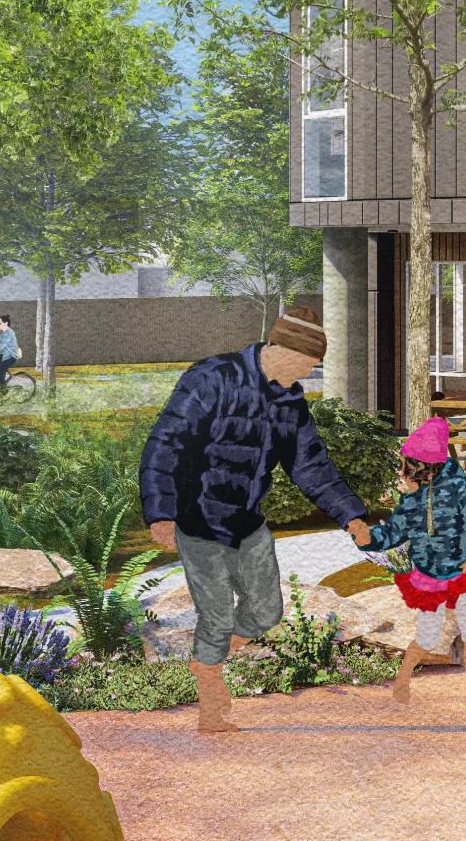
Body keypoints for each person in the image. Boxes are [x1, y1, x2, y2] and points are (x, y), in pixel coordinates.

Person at [139, 307, 373, 733]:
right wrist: (161, 513)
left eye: (311, 367)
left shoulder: (290, 402)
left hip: (247, 522)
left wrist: (352, 518)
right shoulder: (211, 377)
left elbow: (311, 467)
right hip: (198, 518)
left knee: (266, 612)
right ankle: (211, 700)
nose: (304, 373)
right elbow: (165, 444)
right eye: (303, 363)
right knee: (216, 617)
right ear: (276, 347)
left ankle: (206, 664)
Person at [358, 416, 466, 713]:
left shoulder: (461, 490)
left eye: (407, 465)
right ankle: (403, 678)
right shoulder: (410, 503)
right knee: (427, 638)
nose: (402, 472)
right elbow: (390, 535)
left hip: (464, 574)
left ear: (423, 466)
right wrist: (365, 538)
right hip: (430, 578)